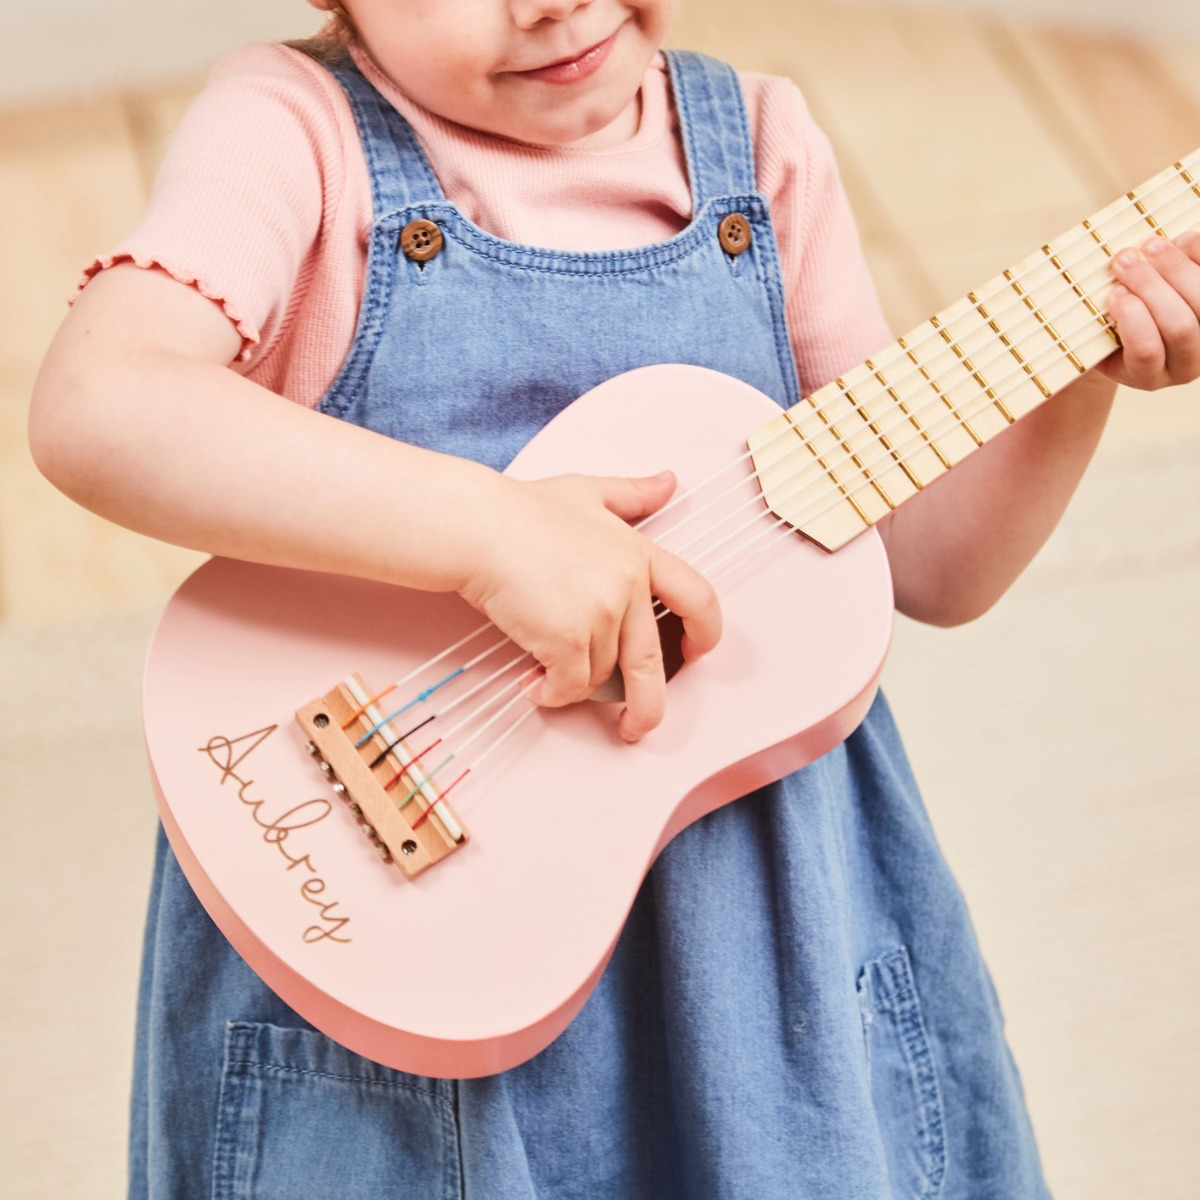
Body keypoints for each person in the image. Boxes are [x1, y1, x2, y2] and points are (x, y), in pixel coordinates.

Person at [28, 1, 1200, 1196]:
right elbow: (100, 405)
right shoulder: (294, 133)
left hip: (755, 924)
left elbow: (931, 568)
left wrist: (1080, 373)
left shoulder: (761, 148)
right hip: (399, 892)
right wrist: (492, 536)